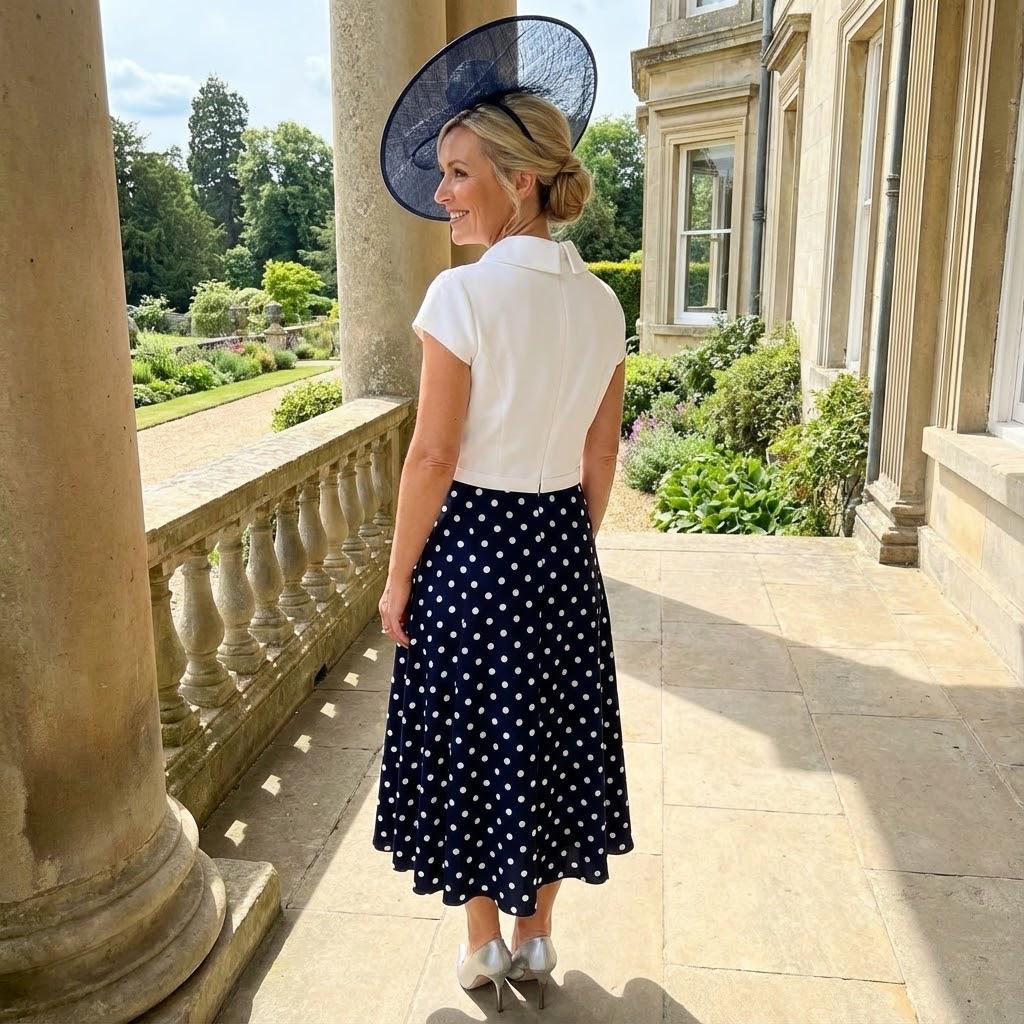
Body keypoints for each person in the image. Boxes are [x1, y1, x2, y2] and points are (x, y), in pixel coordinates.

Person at [372, 16, 634, 1013]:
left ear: (520, 181)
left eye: (458, 173)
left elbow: (432, 457)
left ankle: (482, 944)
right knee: (556, 738)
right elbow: (599, 454)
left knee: (478, 741)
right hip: (560, 542)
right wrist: (574, 541)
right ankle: (535, 936)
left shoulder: (461, 297)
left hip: (471, 551)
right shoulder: (604, 307)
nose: (442, 195)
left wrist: (399, 577)